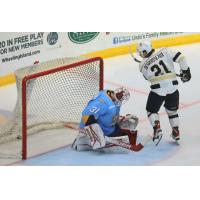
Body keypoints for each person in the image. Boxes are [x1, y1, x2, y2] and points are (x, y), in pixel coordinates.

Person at [136, 41, 191, 144]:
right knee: (172, 111)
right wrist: (186, 71)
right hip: (173, 87)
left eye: (140, 53)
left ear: (144, 51)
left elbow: (148, 78)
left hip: (157, 90)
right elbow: (181, 58)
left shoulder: (141, 65)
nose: (140, 55)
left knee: (151, 110)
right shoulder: (164, 50)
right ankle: (176, 132)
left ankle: (157, 128)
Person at [72, 87, 147, 151]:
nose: (120, 99)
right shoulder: (103, 102)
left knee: (132, 120)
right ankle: (85, 141)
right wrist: (94, 133)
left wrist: (121, 118)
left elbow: (108, 116)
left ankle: (99, 139)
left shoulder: (113, 99)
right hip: (100, 131)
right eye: (119, 96)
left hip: (108, 127)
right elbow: (86, 114)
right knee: (123, 140)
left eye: (121, 98)